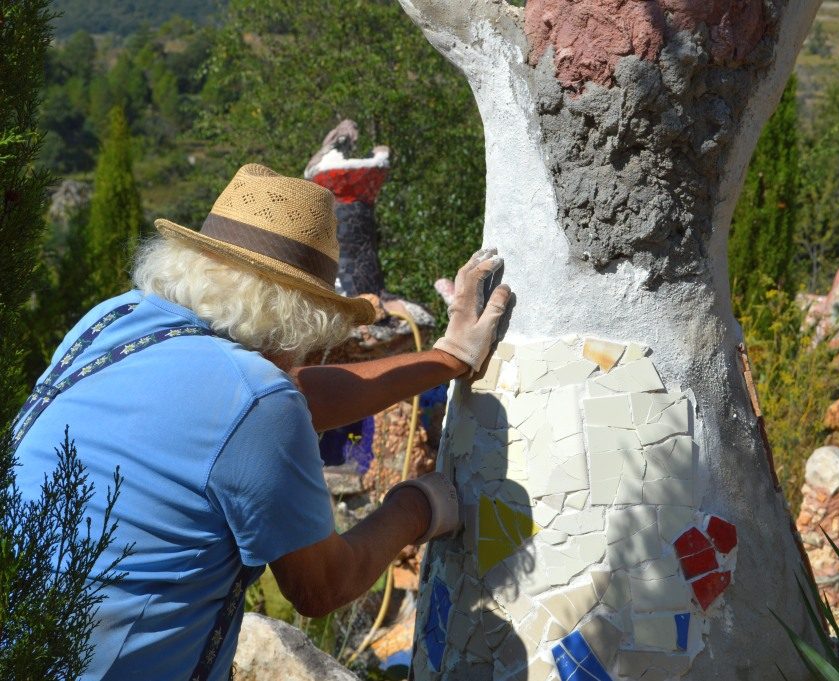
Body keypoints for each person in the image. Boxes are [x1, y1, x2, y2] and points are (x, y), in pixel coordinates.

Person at [12, 164, 512, 680]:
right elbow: (322, 586)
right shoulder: (253, 398)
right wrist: (420, 506)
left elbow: (276, 400)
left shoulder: (111, 322)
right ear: (299, 317)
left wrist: (447, 357)